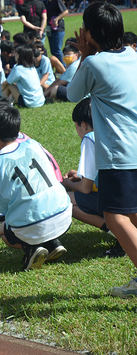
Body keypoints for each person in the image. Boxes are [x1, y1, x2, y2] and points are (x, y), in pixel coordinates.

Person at [67, 2, 137, 297]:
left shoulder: (94, 64)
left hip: (117, 154)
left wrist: (84, 55)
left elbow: (72, 94)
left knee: (114, 217)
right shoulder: (132, 55)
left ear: (89, 34)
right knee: (133, 217)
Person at [0, 103, 72, 271]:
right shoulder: (34, 144)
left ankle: (31, 249)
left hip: (29, 226)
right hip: (64, 213)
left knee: (4, 230)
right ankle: (53, 244)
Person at [61, 98, 124, 257]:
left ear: (83, 124)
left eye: (75, 125)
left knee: (64, 200)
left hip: (115, 203)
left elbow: (85, 188)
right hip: (129, 198)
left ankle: (119, 231)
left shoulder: (90, 138)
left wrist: (66, 182)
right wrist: (80, 175)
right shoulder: (115, 131)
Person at [40, 0, 69, 65]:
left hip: (58, 28)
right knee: (52, 50)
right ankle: (58, 67)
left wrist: (57, 19)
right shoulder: (47, 2)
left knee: (57, 49)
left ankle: (64, 67)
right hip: (50, 28)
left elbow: (65, 11)